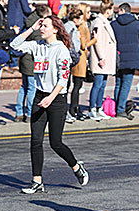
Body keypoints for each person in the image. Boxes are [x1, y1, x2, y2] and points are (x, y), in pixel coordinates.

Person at [10, 16, 89, 194]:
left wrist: (51, 97)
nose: (42, 28)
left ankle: (76, 167)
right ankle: (37, 181)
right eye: (41, 25)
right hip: (40, 95)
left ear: (55, 29)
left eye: (45, 26)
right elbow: (14, 45)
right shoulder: (37, 45)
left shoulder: (61, 50)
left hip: (57, 99)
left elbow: (64, 77)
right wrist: (31, 28)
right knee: (35, 140)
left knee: (56, 143)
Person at [111, 2, 139, 119]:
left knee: (118, 83)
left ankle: (117, 107)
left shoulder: (113, 24)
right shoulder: (137, 24)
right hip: (132, 59)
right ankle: (120, 109)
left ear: (122, 10)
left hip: (117, 57)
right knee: (126, 84)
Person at [15, 4, 52, 123]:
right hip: (31, 61)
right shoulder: (38, 28)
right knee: (31, 88)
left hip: (24, 60)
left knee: (24, 87)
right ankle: (30, 113)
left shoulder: (29, 21)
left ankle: (19, 112)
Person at [89, 0, 117, 121]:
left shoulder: (104, 21)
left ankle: (99, 108)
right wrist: (101, 57)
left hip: (105, 58)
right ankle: (92, 109)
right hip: (102, 58)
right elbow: (97, 41)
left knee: (103, 84)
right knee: (98, 84)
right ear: (108, 9)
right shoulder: (98, 22)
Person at [70, 3, 96, 121]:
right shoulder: (81, 27)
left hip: (82, 57)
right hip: (80, 58)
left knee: (78, 85)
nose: (90, 14)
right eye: (88, 12)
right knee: (77, 85)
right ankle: (74, 109)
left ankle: (75, 108)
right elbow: (83, 45)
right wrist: (94, 40)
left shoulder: (84, 26)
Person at [63, 8, 84, 123]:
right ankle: (65, 113)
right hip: (68, 59)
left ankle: (64, 112)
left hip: (63, 58)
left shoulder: (65, 26)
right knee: (65, 86)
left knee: (64, 86)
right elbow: (76, 47)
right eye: (80, 19)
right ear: (75, 19)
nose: (82, 21)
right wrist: (78, 39)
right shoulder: (73, 29)